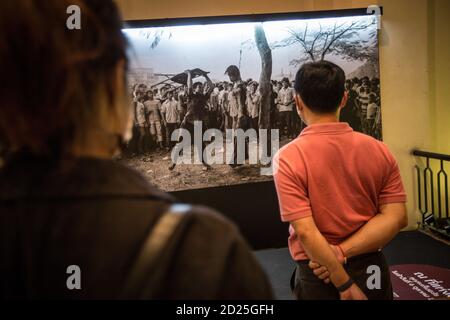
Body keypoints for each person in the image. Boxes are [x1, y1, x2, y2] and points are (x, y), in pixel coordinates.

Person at [0, 0, 273, 300]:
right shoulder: (204, 251)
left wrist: (203, 78)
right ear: (116, 80)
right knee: (185, 146)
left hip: (195, 122)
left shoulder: (203, 93)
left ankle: (196, 163)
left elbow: (204, 89)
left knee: (194, 146)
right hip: (187, 122)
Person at [273, 61, 407, 300]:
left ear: (297, 102)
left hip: (318, 270)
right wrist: (342, 253)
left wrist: (343, 282)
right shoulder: (379, 150)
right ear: (344, 98)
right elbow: (396, 216)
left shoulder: (288, 157)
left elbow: (306, 231)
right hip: (371, 265)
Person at [169, 70, 213, 171]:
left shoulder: (204, 97)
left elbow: (211, 86)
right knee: (180, 143)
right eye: (199, 87)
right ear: (194, 88)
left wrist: (205, 76)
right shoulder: (190, 95)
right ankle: (173, 162)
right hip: (187, 122)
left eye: (202, 87)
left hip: (198, 123)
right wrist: (189, 74)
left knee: (200, 145)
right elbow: (189, 86)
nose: (201, 89)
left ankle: (204, 163)